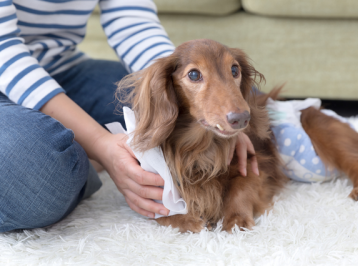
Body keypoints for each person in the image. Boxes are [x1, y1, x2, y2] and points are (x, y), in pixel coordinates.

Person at [0, 0, 258, 233]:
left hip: (64, 69)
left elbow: (133, 23)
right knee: (41, 178)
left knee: (252, 101)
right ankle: (77, 159)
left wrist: (223, 112)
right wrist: (100, 145)